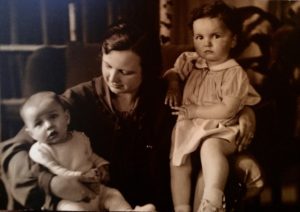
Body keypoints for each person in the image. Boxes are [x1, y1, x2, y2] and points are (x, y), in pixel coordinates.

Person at [0, 20, 257, 211]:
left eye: (126, 72)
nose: (113, 79)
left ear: (148, 71)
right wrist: (51, 183)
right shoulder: (76, 100)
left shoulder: (172, 96)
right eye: (108, 66)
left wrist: (245, 112)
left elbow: (221, 101)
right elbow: (13, 150)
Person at [164, 1, 261, 211]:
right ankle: (181, 208)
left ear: (233, 40)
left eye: (215, 36)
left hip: (222, 128)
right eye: (199, 37)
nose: (206, 43)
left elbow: (228, 109)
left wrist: (195, 110)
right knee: (178, 162)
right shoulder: (191, 61)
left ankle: (212, 199)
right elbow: (173, 72)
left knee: (210, 148)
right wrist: (173, 84)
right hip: (190, 125)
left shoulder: (234, 73)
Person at [20, 91, 155, 211]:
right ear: (31, 134)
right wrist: (80, 176)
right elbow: (55, 169)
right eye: (39, 124)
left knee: (113, 195)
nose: (48, 125)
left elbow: (90, 156)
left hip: (95, 189)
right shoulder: (40, 150)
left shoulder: (80, 138)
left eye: (53, 116)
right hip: (69, 197)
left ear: (67, 118)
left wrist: (101, 164)